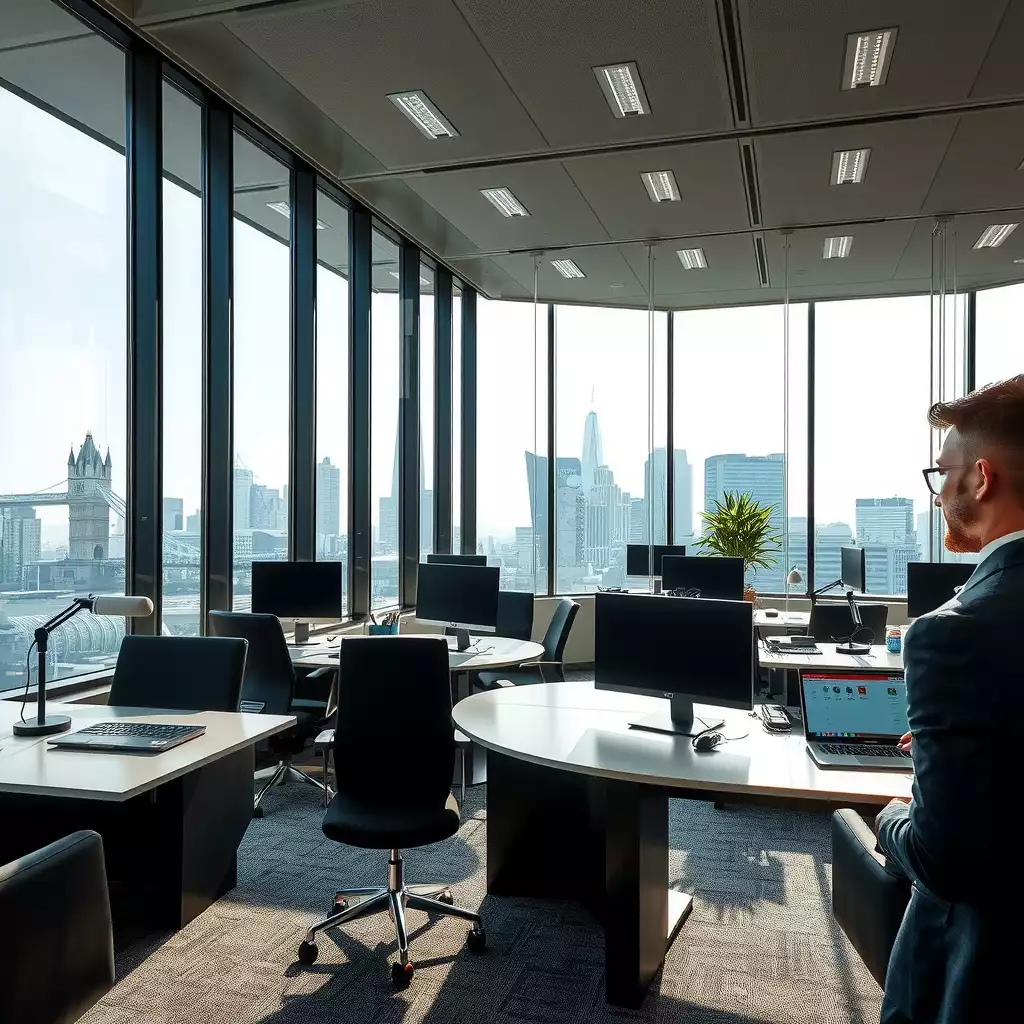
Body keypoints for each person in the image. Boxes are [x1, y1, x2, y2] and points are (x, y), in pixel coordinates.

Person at [875, 375, 1024, 1023]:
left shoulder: (953, 633)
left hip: (985, 972)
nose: (938, 496)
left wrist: (892, 811)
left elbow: (944, 859)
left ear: (981, 480)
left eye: (943, 474)